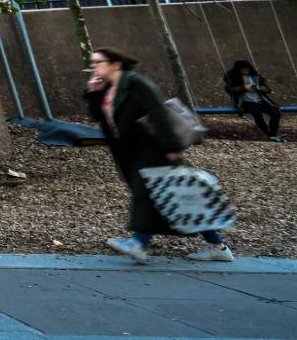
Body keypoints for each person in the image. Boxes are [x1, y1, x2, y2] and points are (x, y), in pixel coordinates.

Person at [85, 48, 234, 263]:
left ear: (115, 64)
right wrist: (93, 92)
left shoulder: (137, 83)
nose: (94, 67)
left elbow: (159, 114)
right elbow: (100, 117)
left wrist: (172, 147)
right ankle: (218, 246)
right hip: (133, 151)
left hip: (154, 148)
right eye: (93, 63)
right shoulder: (110, 88)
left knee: (145, 192)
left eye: (98, 62)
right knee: (179, 197)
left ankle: (139, 243)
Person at [224, 59, 283, 141]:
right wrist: (244, 88)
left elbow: (268, 90)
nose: (245, 70)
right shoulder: (234, 78)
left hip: (261, 100)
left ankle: (273, 133)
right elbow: (229, 90)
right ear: (238, 69)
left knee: (276, 114)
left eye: (247, 69)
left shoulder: (256, 77)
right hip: (246, 102)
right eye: (243, 69)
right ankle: (267, 133)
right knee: (257, 114)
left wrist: (260, 88)